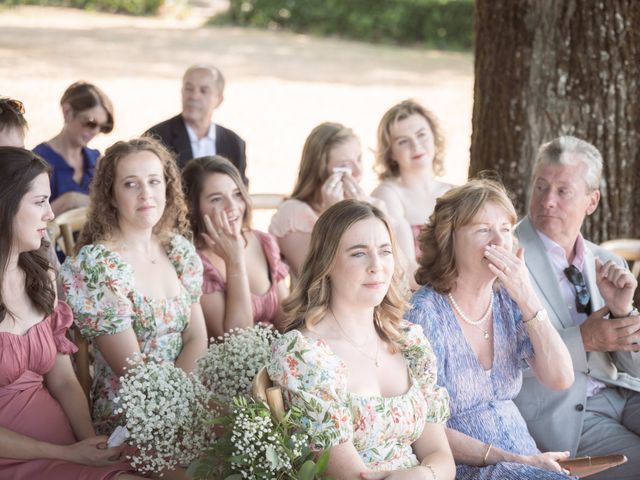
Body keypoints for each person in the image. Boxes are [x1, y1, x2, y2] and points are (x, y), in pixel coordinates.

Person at [268, 199, 456, 479]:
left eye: (385, 251)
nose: (376, 266)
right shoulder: (305, 355)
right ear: (326, 262)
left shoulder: (408, 342)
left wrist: (424, 475)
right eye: (358, 253)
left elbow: (441, 456)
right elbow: (351, 475)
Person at [406, 178, 576, 479]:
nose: (499, 242)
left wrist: (527, 296)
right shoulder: (426, 313)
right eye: (483, 229)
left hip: (525, 461)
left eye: (506, 230)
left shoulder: (508, 301)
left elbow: (561, 377)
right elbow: (423, 429)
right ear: (449, 239)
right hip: (466, 468)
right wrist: (516, 459)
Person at [0, 147, 142, 480]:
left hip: (66, 448)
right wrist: (65, 455)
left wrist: (89, 443)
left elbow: (63, 380)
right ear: (4, 205)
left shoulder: (40, 278)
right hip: (17, 460)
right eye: (39, 202)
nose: (50, 214)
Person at [60, 137, 207, 437]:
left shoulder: (178, 251)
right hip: (131, 411)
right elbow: (132, 371)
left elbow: (197, 336)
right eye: (131, 184)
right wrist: (176, 409)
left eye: (154, 181)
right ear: (111, 196)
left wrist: (187, 401)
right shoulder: (100, 265)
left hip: (187, 393)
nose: (146, 194)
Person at [514, 135, 640, 479]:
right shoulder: (508, 260)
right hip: (561, 413)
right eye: (541, 187)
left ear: (591, 201)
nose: (547, 201)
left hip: (623, 393)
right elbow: (497, 361)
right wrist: (583, 340)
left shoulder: (607, 261)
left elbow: (635, 367)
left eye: (563, 191)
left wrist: (622, 312)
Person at [182, 155, 289, 338]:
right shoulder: (194, 262)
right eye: (216, 199)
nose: (233, 206)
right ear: (192, 207)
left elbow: (287, 322)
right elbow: (235, 340)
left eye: (237, 194)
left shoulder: (263, 242)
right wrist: (235, 261)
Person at [269, 122, 381, 279]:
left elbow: (394, 270)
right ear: (320, 172)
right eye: (345, 166)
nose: (358, 171)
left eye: (359, 159)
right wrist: (335, 216)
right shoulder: (293, 215)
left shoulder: (374, 205)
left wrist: (363, 210)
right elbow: (316, 280)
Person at [371, 99, 452, 275]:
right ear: (391, 152)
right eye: (403, 141)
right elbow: (405, 270)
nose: (416, 146)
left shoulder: (454, 192)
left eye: (421, 134)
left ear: (434, 136)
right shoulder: (387, 195)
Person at [146, 64, 247, 181]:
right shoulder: (156, 138)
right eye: (189, 89)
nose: (194, 96)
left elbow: (240, 192)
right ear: (181, 92)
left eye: (203, 91)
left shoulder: (234, 143)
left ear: (219, 100)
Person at [33, 81, 114, 216]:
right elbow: (26, 218)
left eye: (103, 127)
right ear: (67, 112)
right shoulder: (37, 161)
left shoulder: (96, 160)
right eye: (90, 123)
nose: (95, 131)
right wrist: (69, 201)